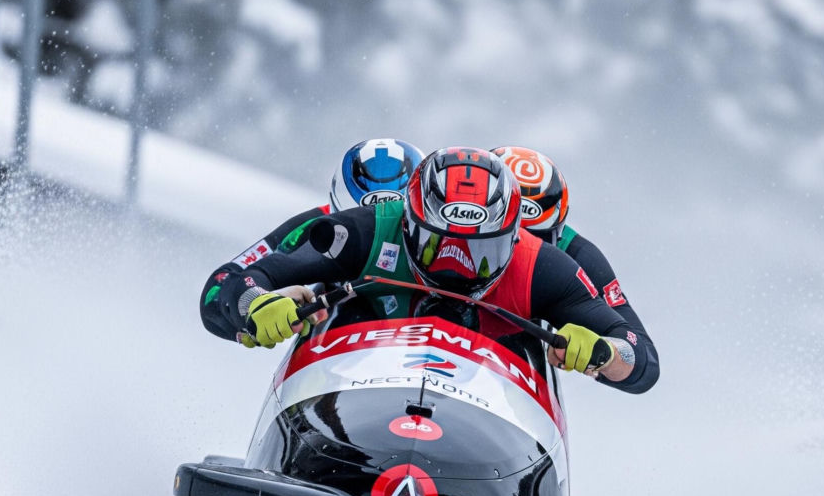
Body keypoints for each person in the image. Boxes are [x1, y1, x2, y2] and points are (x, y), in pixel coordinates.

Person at [202, 147, 659, 393]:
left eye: (481, 250)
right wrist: (256, 305)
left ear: (515, 235)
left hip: (493, 401)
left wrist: (602, 352)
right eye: (439, 244)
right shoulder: (365, 230)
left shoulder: (545, 266)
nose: (456, 266)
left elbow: (641, 358)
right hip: (353, 383)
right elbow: (228, 283)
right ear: (408, 220)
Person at [200, 138, 423, 346]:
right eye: (362, 223)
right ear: (339, 211)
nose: (375, 232)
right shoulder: (314, 229)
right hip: (340, 341)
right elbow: (220, 287)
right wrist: (256, 304)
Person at [490, 145, 657, 383]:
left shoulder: (579, 256)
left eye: (534, 238)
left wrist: (604, 350)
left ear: (557, 232)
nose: (519, 247)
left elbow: (644, 357)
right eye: (504, 235)